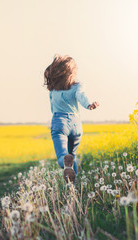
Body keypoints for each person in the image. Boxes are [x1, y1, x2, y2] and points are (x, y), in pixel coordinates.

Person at [44, 54, 99, 183]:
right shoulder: (78, 86)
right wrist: (88, 105)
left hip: (59, 122)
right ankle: (73, 188)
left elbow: (53, 109)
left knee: (63, 155)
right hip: (76, 124)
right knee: (72, 155)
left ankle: (67, 169)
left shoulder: (53, 90)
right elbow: (81, 96)